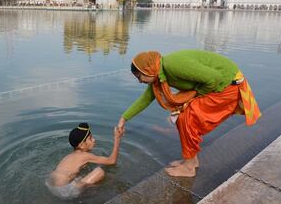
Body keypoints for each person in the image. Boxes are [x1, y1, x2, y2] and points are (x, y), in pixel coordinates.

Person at [116, 49, 261, 177]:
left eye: (139, 77)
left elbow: (214, 78)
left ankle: (189, 167)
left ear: (147, 70)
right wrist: (123, 119)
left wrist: (195, 97)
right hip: (218, 85)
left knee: (186, 117)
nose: (139, 82)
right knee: (183, 116)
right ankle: (191, 159)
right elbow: (145, 99)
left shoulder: (173, 65)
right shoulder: (160, 74)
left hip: (227, 85)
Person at [45, 123, 123, 199]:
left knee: (81, 176)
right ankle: (90, 193)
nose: (94, 140)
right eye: (90, 138)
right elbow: (112, 161)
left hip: (50, 184)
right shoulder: (85, 156)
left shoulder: (69, 156)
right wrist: (117, 138)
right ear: (82, 145)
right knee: (99, 171)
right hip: (64, 192)